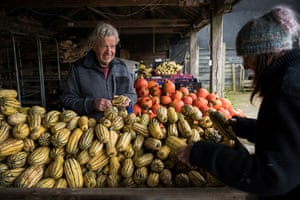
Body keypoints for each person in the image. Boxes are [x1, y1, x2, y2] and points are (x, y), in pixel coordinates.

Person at [177, 5, 300, 199]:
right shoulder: (292, 76)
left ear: (264, 53)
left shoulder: (288, 89)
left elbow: (273, 175)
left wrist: (206, 154)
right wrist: (248, 128)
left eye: (246, 56)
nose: (244, 64)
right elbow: (288, 137)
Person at [60, 23, 137, 120]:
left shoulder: (121, 67)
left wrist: (128, 100)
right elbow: (66, 100)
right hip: (89, 128)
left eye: (112, 46)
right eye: (104, 46)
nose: (109, 51)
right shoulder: (78, 69)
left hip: (118, 128)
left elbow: (132, 94)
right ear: (94, 46)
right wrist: (91, 104)